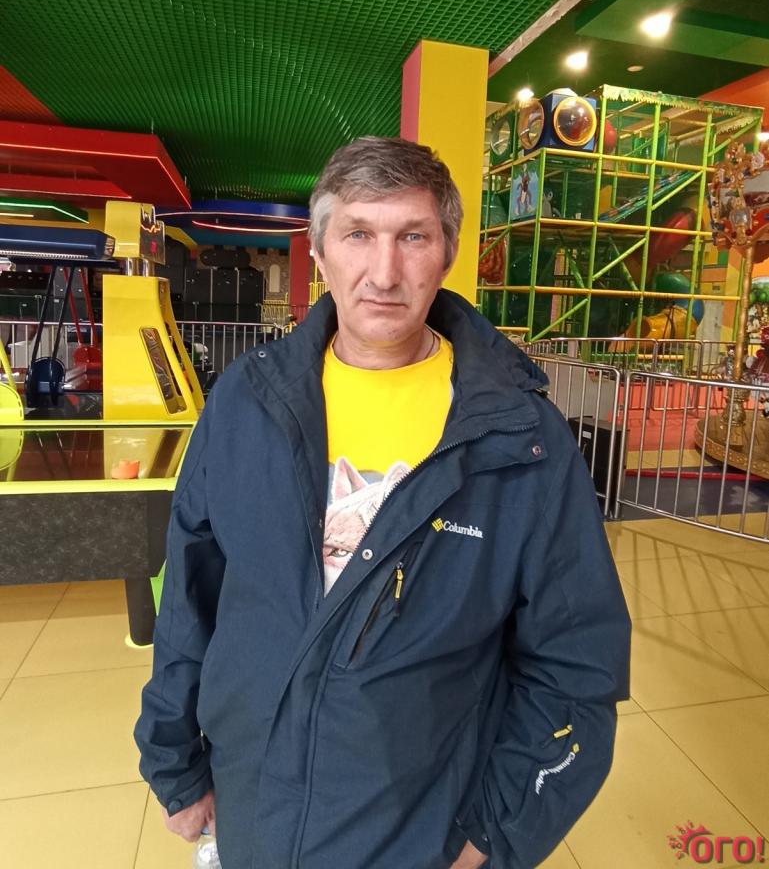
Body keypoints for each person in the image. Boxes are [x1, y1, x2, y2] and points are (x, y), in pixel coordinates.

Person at [135, 136, 631, 869]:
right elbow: (191, 592)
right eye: (358, 234)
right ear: (320, 250)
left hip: (418, 823)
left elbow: (575, 661)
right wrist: (174, 758)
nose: (385, 272)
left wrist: (494, 835)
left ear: (448, 253)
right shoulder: (248, 401)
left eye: (413, 237)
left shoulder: (517, 436)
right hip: (254, 799)